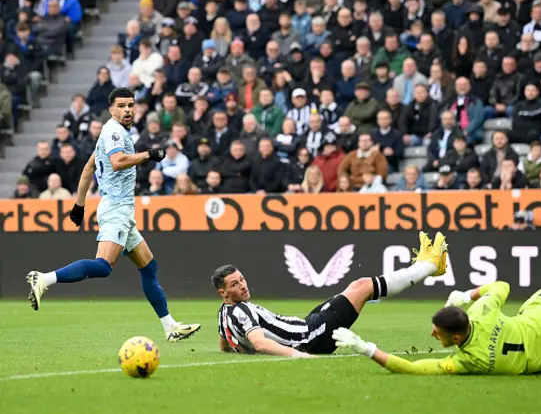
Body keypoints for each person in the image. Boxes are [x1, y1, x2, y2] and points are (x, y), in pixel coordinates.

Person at [26, 88, 200, 342]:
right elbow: (118, 161)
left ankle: (169, 326)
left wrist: (79, 204)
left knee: (149, 267)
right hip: (116, 209)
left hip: (120, 210)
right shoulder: (114, 131)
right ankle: (43, 279)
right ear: (111, 109)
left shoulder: (109, 132)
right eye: (121, 105)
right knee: (104, 267)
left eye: (131, 105)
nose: (128, 109)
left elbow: (88, 168)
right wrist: (148, 155)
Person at [333, 251, 541, 374]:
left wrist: (365, 347)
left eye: (438, 333)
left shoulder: (466, 361)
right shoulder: (483, 310)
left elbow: (410, 369)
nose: (432, 334)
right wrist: (467, 295)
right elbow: (502, 285)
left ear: (458, 336)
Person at [215, 231, 448, 356]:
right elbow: (260, 344)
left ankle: (424, 266)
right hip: (309, 339)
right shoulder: (242, 310)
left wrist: (236, 350)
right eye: (235, 284)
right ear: (223, 292)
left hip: (307, 326)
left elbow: (224, 343)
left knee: (355, 288)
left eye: (242, 279)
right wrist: (300, 356)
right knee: (362, 286)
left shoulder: (224, 312)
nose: (243, 285)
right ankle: (429, 266)